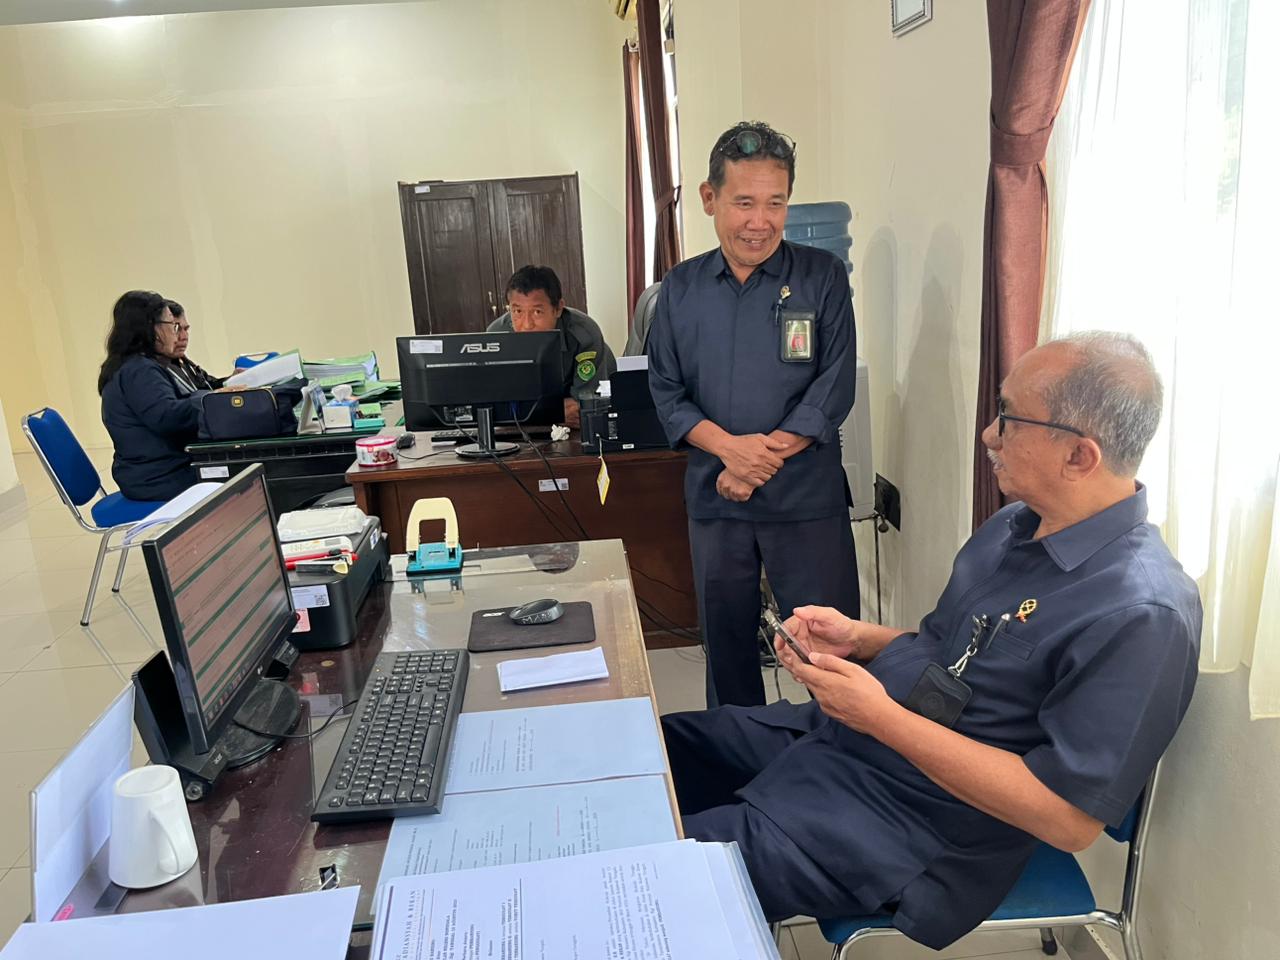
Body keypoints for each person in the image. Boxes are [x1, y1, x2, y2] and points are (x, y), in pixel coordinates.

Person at [660, 332, 1202, 950]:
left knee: (656, 873)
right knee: (659, 751)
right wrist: (861, 638)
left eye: (1010, 419)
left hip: (914, 823)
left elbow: (1068, 819)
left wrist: (879, 716)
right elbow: (959, 652)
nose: (990, 435)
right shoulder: (1016, 524)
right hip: (849, 740)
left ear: (1080, 456)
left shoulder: (1142, 613)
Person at [647, 121, 860, 707]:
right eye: (744, 202)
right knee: (727, 652)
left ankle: (840, 756)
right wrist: (731, 453)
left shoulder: (822, 277)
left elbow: (833, 387)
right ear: (709, 198)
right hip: (717, 502)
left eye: (775, 203)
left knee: (829, 652)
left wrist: (755, 463)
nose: (759, 222)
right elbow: (667, 391)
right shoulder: (681, 288)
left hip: (806, 502)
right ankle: (736, 755)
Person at [99, 291, 220, 501]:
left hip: (158, 469)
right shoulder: (139, 370)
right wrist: (213, 400)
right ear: (152, 328)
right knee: (251, 470)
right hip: (158, 477)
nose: (177, 334)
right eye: (172, 326)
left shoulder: (135, 364)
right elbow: (168, 417)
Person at [487, 265, 616, 429]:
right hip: (522, 430)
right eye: (517, 311)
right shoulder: (496, 337)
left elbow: (583, 408)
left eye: (537, 312)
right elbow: (497, 407)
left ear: (558, 308)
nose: (526, 325)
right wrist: (552, 412)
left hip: (576, 430)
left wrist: (527, 411)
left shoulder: (584, 334)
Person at [162, 300, 225, 393]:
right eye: (176, 329)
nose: (184, 337)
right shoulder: (155, 370)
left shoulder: (184, 362)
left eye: (186, 329)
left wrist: (234, 379)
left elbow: (209, 385)